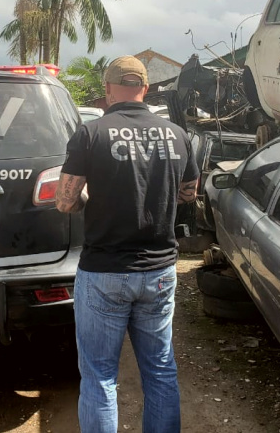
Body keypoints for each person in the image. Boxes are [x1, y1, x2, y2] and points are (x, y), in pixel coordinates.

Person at [56, 55, 199, 433]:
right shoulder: (178, 135)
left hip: (104, 272)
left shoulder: (91, 134)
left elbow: (65, 201)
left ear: (106, 90)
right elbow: (189, 193)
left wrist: (90, 195)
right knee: (160, 369)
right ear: (146, 89)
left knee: (101, 376)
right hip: (159, 272)